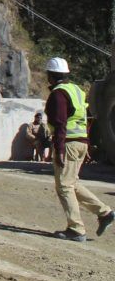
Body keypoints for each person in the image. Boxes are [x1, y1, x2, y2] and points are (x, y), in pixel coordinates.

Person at [45, 57, 114, 241]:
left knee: (65, 186)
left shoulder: (58, 94)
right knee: (72, 183)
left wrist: (58, 148)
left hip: (68, 143)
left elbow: (60, 123)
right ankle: (105, 212)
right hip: (81, 142)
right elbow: (87, 116)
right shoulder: (76, 90)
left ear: (51, 76)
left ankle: (76, 229)